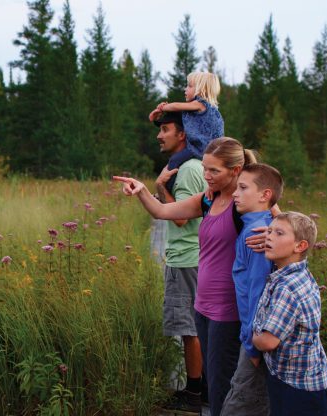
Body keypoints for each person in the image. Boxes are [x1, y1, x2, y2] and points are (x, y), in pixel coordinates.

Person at [114, 137, 254, 416]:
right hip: (203, 307)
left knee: (224, 385)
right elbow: (163, 211)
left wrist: (270, 234)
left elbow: (283, 224)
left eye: (214, 171)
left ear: (236, 171)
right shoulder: (208, 199)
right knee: (213, 383)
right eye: (205, 168)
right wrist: (142, 190)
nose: (206, 176)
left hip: (229, 310)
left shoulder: (245, 204)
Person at [147, 112, 206, 415]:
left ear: (183, 135)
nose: (160, 135)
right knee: (200, 325)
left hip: (186, 258)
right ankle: (206, 389)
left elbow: (181, 217)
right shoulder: (198, 167)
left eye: (166, 129)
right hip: (199, 257)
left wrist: (160, 188)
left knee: (189, 328)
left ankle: (193, 394)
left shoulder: (184, 172)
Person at [252, 212, 327, 416]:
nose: (269, 236)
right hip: (298, 379)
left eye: (279, 233)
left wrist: (252, 336)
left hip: (298, 388)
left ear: (300, 246)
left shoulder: (288, 287)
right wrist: (277, 234)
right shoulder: (295, 273)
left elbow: (269, 342)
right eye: (269, 231)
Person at [221, 163, 284, 415]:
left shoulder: (257, 235)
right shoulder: (262, 224)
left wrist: (251, 344)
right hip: (253, 334)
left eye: (243, 188)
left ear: (265, 195)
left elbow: (257, 295)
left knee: (240, 404)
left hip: (255, 338)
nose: (235, 194)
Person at [149, 71, 224, 192]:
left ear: (200, 90)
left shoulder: (200, 104)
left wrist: (163, 107)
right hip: (210, 150)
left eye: (189, 86)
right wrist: (157, 115)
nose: (185, 89)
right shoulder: (204, 110)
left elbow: (176, 106)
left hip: (200, 149)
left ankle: (168, 189)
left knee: (173, 162)